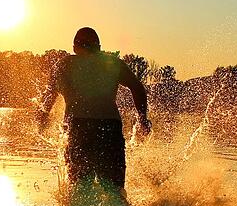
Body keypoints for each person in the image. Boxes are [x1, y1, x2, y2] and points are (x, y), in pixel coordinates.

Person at [36, 27, 151, 188]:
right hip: (110, 128)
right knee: (114, 188)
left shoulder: (63, 65)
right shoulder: (112, 63)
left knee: (79, 187)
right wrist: (142, 119)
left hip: (78, 127)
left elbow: (47, 99)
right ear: (98, 47)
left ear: (75, 47)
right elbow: (137, 88)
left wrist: (40, 122)